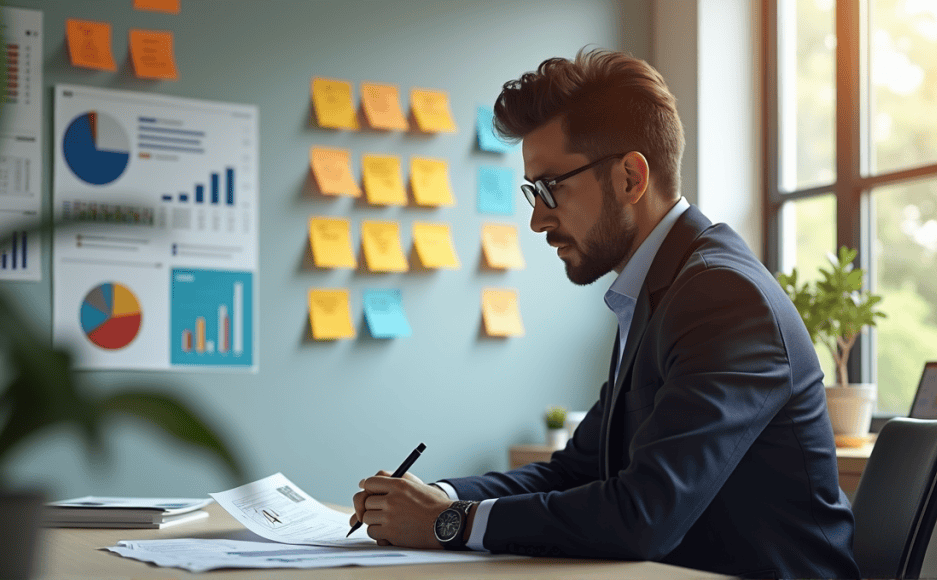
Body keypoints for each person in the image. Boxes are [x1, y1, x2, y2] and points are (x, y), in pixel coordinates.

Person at [350, 48, 860, 580]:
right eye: (531, 193)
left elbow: (645, 515)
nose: (536, 221)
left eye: (549, 189)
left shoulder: (721, 295)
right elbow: (576, 471)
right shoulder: (659, 292)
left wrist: (448, 522)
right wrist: (437, 497)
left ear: (630, 179)